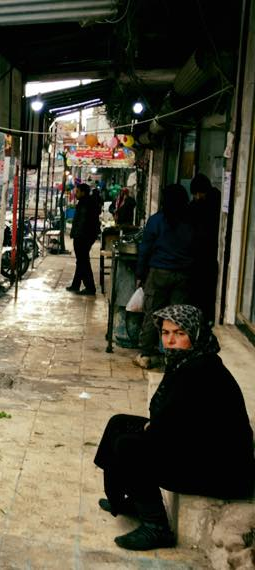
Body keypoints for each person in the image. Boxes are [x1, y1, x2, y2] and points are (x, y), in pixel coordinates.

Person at [95, 304, 254, 551]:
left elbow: (171, 426)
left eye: (180, 334)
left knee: (129, 446)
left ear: (195, 334)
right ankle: (127, 499)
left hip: (221, 471)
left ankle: (156, 528)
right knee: (119, 423)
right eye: (166, 333)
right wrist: (153, 427)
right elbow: (175, 421)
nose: (170, 340)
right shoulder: (186, 361)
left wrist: (152, 429)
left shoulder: (200, 370)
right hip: (199, 448)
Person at [134, 184, 195, 369]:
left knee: (153, 314)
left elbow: (145, 249)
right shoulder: (192, 221)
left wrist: (140, 273)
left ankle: (146, 354)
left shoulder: (157, 220)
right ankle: (174, 356)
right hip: (183, 274)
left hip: (159, 273)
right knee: (177, 317)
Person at [189, 174, 221, 325]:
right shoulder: (218, 201)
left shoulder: (198, 207)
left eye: (196, 193)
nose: (195, 196)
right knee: (209, 291)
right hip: (213, 254)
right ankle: (207, 318)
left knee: (199, 291)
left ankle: (199, 319)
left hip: (200, 256)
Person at [66, 183, 101, 295]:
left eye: (77, 192)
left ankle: (90, 287)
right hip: (86, 235)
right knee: (81, 261)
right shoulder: (86, 202)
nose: (75, 194)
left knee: (83, 261)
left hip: (83, 236)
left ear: (83, 192)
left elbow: (82, 222)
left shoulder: (86, 204)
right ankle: (76, 285)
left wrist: (77, 235)